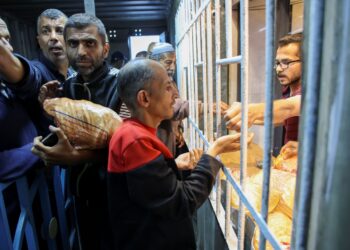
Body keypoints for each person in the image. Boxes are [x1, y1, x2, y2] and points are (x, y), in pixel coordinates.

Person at [107, 59, 246, 250]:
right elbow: (181, 202)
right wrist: (213, 153)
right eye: (167, 88)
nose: (175, 95)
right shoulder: (135, 140)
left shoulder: (136, 133)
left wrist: (171, 163)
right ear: (144, 98)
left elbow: (148, 189)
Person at [32, 13, 121, 250]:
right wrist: (50, 111)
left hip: (119, 196)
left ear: (105, 48)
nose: (81, 51)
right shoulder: (68, 87)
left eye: (89, 43)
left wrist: (75, 157)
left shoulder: (123, 85)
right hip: (82, 194)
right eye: (73, 43)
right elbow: (71, 135)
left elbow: (127, 148)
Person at [224, 33, 303, 156]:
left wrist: (251, 111)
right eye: (277, 63)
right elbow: (284, 116)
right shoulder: (288, 89)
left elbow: (292, 107)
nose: (279, 69)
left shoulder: (314, 91)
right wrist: (247, 116)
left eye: (286, 62)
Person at [0, 9, 73, 136]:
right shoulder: (38, 70)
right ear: (39, 41)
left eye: (59, 31)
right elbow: (26, 75)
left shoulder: (73, 75)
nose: (53, 37)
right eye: (46, 31)